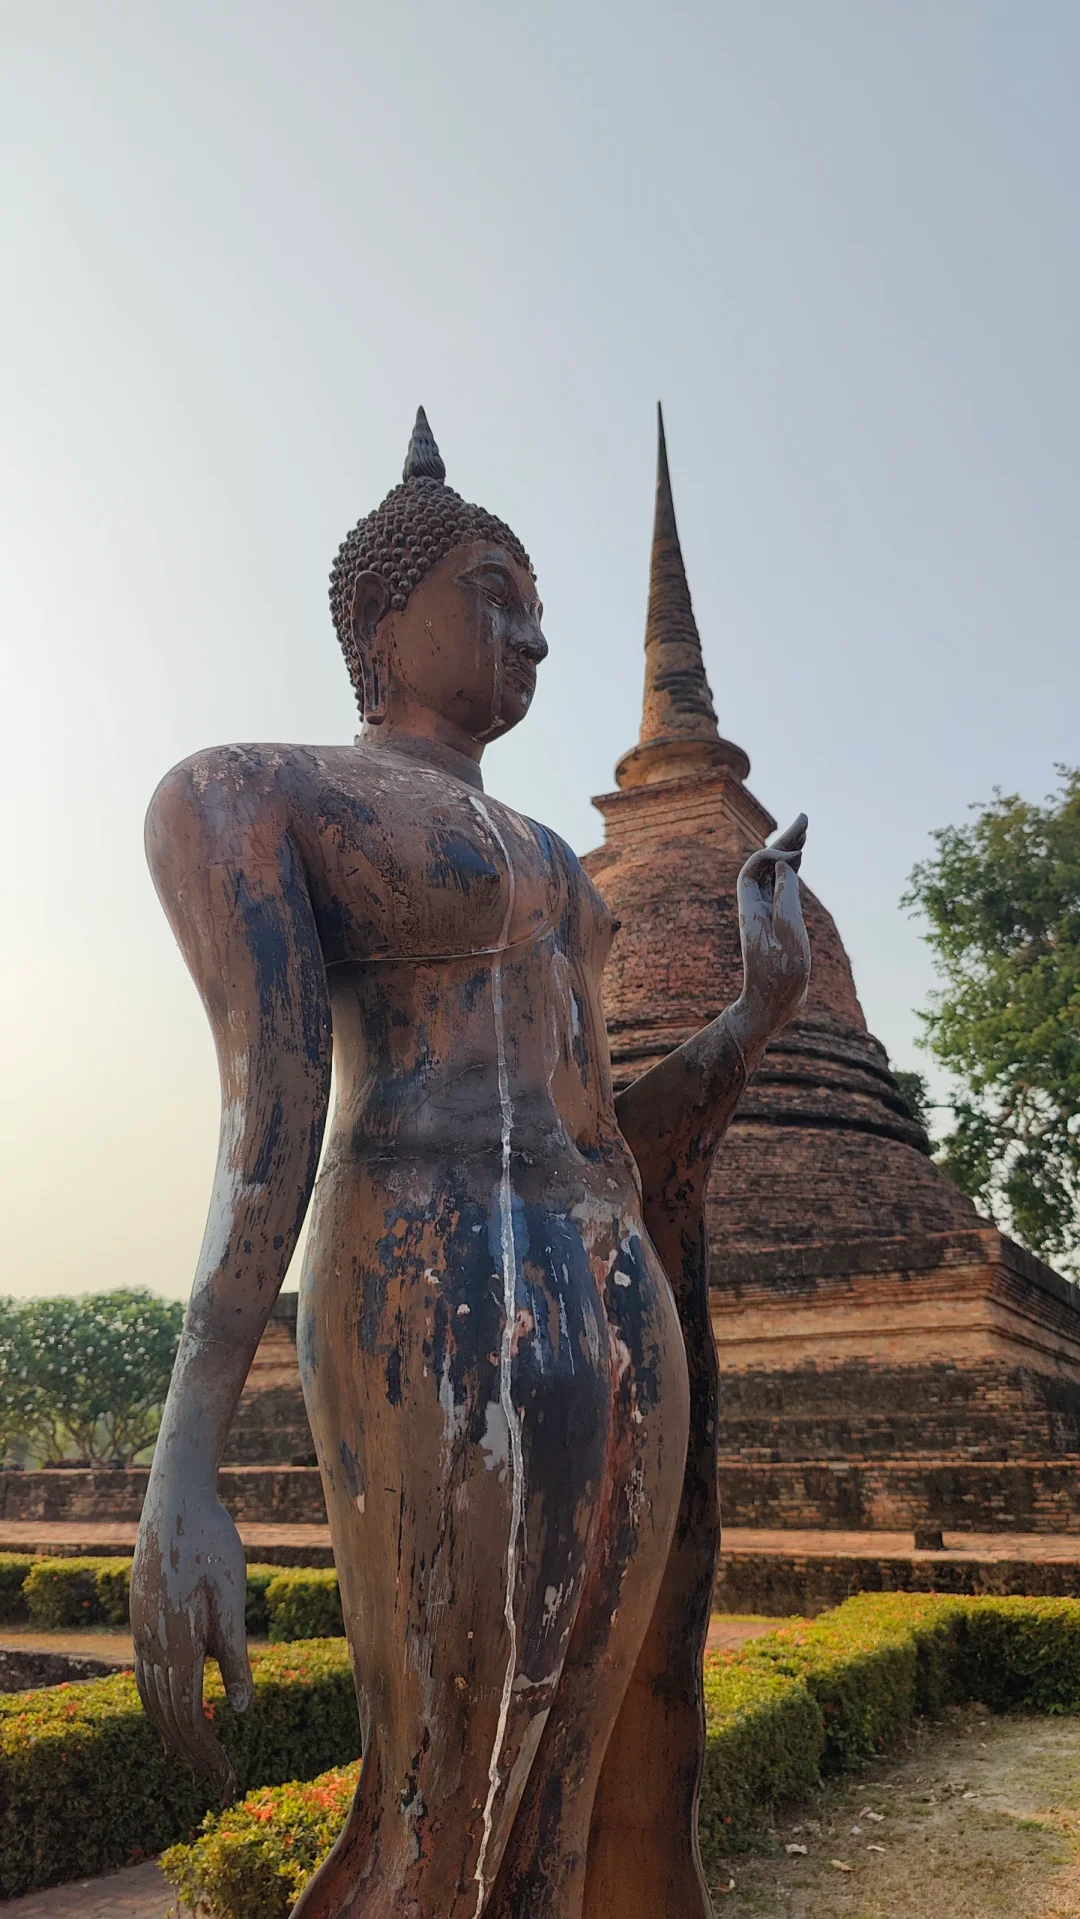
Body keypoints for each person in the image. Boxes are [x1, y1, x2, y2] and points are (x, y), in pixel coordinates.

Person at [131, 409, 810, 1919]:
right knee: (446, 1801)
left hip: (613, 1307)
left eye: (542, 606)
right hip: (427, 1294)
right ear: (386, 610)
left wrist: (758, 1010)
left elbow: (606, 1141)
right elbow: (272, 1112)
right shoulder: (258, 789)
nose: (535, 634)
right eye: (497, 590)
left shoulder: (569, 871)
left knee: (563, 1807)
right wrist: (187, 1451)